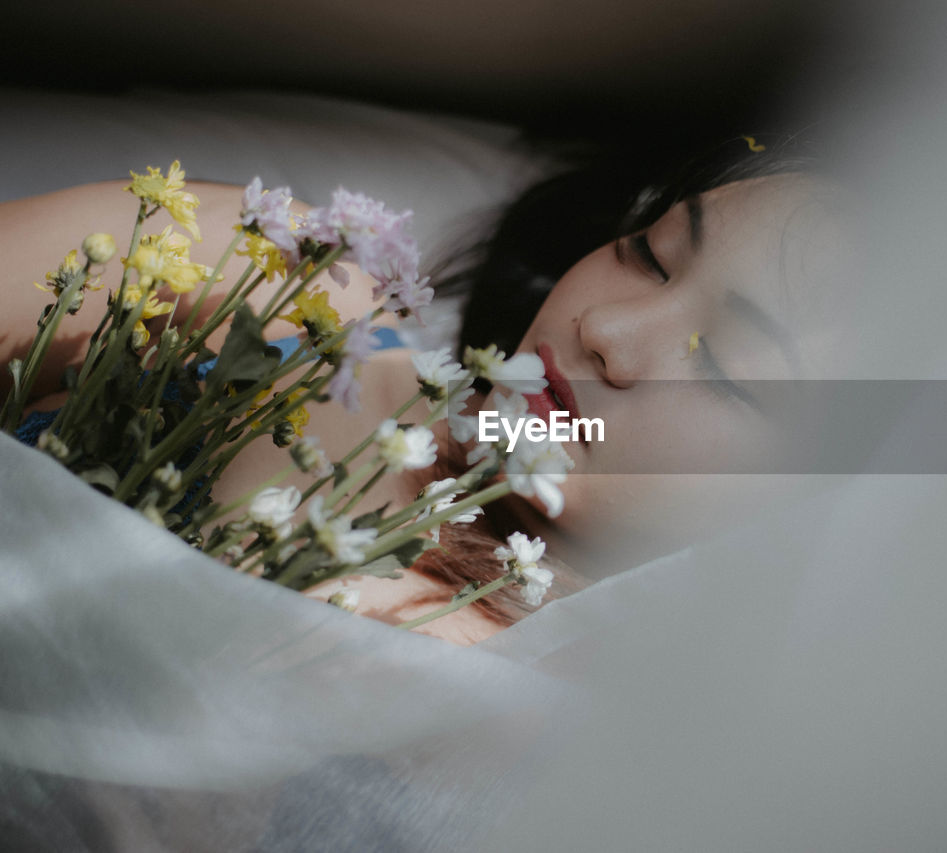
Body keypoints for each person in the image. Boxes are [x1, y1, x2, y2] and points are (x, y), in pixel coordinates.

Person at [0, 133, 850, 645]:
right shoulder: (298, 287)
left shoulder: (546, 762)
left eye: (729, 365)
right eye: (651, 252)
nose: (610, 331)